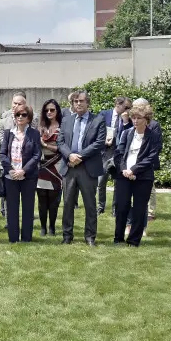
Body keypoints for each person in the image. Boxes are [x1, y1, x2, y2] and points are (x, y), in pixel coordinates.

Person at [57, 90, 106, 246]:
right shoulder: (66, 120)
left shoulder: (98, 120)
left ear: (88, 103)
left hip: (87, 168)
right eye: (76, 101)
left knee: (90, 204)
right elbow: (60, 142)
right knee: (68, 203)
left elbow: (98, 143)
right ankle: (67, 236)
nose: (78, 103)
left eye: (81, 101)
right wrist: (70, 155)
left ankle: (90, 236)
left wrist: (79, 156)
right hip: (69, 167)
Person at [113, 104, 161, 247]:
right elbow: (119, 153)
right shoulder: (126, 133)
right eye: (133, 117)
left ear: (146, 119)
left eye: (138, 118)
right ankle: (118, 238)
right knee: (121, 207)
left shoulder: (153, 136)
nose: (135, 120)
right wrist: (124, 170)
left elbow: (151, 157)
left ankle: (133, 240)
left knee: (140, 209)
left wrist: (134, 169)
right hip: (124, 175)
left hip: (143, 177)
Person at [0, 103, 41, 243]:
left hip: (28, 176)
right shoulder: (8, 133)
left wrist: (23, 170)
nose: (20, 117)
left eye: (24, 115)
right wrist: (11, 170)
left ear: (29, 118)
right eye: (18, 114)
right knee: (12, 208)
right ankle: (13, 238)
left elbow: (37, 155)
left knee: (28, 208)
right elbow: (2, 154)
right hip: (10, 176)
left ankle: (26, 238)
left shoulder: (34, 133)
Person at [97, 96, 132, 215]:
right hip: (106, 152)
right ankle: (100, 207)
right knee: (101, 181)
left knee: (118, 183)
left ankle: (115, 209)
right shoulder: (104, 114)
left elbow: (130, 134)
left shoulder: (129, 119)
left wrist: (126, 121)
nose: (128, 110)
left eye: (129, 108)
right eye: (126, 107)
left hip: (119, 154)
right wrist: (103, 142)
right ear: (117, 104)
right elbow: (96, 132)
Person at [37, 99, 62, 237]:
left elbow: (62, 148)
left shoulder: (63, 127)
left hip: (56, 165)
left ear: (57, 111)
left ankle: (52, 227)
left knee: (53, 199)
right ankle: (43, 227)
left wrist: (46, 145)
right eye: (47, 110)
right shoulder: (40, 128)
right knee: (41, 198)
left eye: (52, 110)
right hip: (41, 165)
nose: (49, 112)